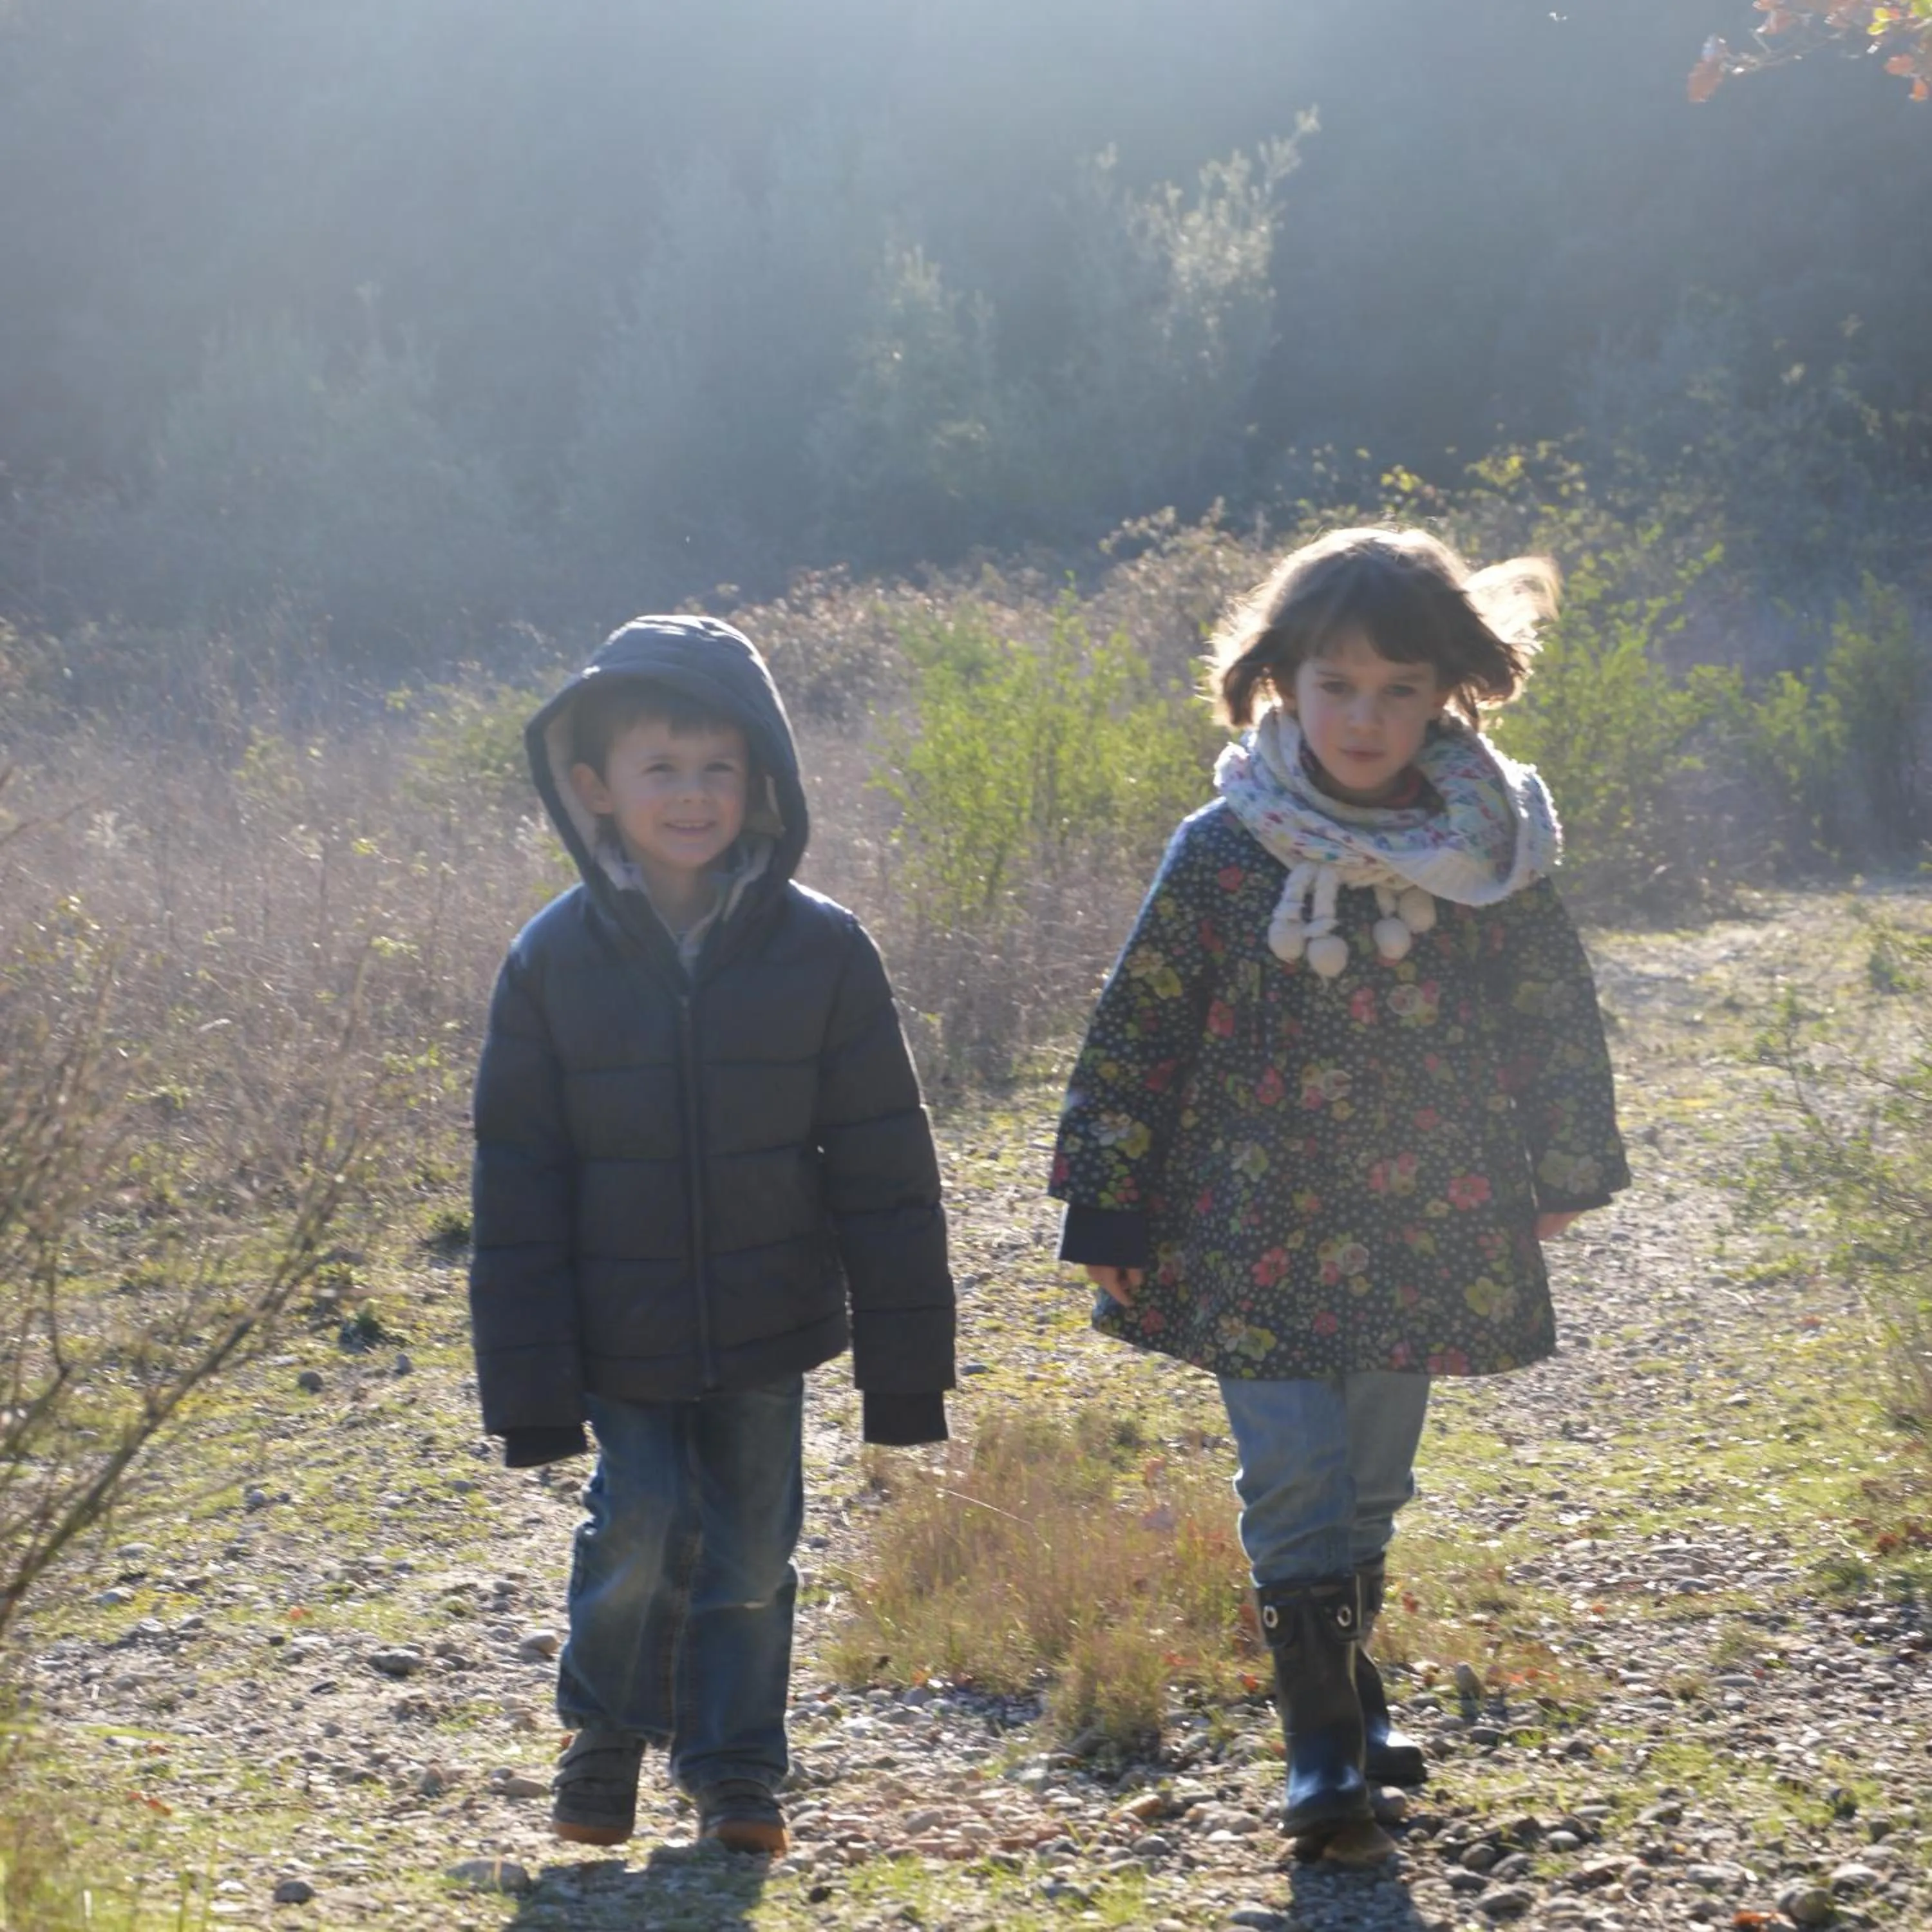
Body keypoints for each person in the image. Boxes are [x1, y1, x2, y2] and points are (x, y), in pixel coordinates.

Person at [1048, 528, 1627, 1857]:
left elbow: (1552, 1013)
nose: (1365, 717)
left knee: (1371, 1487)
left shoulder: (1490, 855)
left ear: (1448, 694)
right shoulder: (1225, 847)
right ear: (1281, 682)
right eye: (1336, 684)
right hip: (1247, 1223)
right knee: (1295, 1477)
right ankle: (1320, 1761)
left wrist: (1563, 1164)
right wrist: (1109, 1205)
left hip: (1425, 1215)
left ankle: (1352, 1694)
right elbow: (1140, 1024)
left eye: (1399, 688)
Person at [468, 615, 954, 1856]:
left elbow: (887, 1168)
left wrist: (905, 1373)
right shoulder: (551, 961)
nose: (692, 797)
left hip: (766, 1320)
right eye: (660, 769)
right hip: (616, 1325)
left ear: (765, 783)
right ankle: (605, 1742)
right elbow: (516, 1188)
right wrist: (525, 1388)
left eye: (719, 769)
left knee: (749, 1551)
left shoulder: (824, 951)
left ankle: (737, 1772)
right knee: (636, 1523)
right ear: (596, 789)